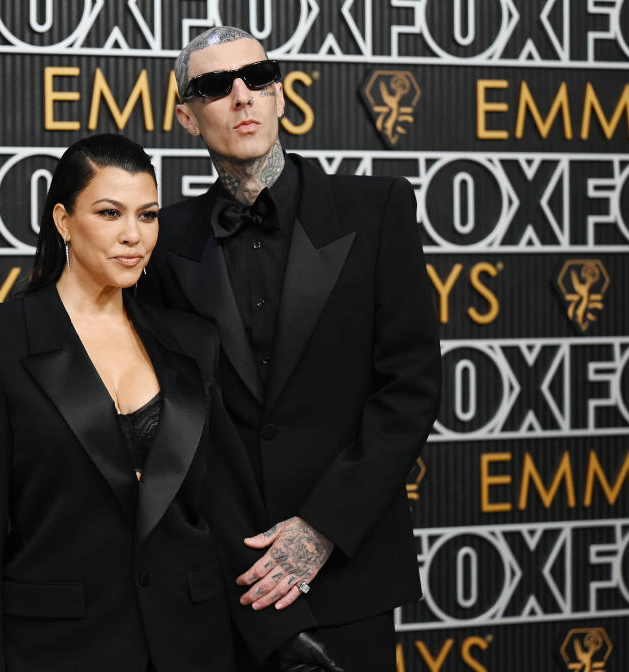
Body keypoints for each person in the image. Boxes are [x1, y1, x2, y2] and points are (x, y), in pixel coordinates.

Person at [140, 26, 442, 671]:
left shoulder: (377, 208)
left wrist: (322, 528)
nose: (241, 96)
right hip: (226, 578)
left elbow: (410, 388)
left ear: (281, 95)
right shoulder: (164, 242)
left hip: (350, 566)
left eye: (258, 77)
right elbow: (172, 420)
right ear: (187, 118)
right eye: (215, 87)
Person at [0, 133, 275, 671]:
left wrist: (279, 634)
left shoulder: (191, 342)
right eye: (109, 212)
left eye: (147, 216)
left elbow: (223, 506)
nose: (133, 236)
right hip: (59, 650)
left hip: (193, 646)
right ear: (63, 221)